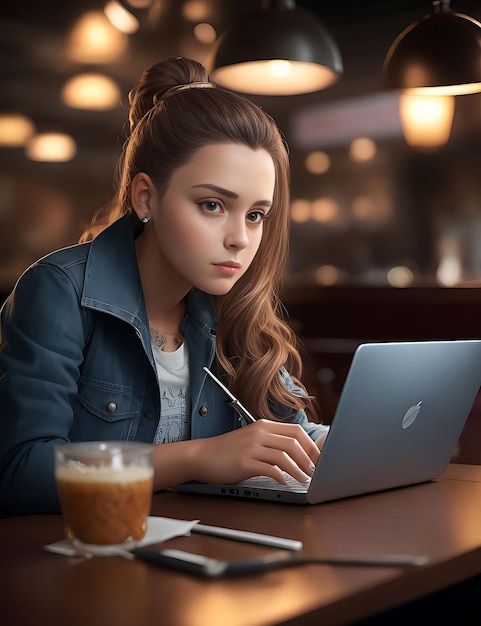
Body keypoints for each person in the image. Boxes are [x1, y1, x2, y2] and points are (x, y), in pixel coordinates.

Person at [0, 56, 328, 517]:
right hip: (86, 567)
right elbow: (20, 471)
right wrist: (196, 458)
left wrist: (352, 445)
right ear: (145, 196)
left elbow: (289, 436)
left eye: (256, 214)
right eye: (213, 205)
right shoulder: (58, 292)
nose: (241, 238)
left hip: (209, 558)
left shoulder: (232, 303)